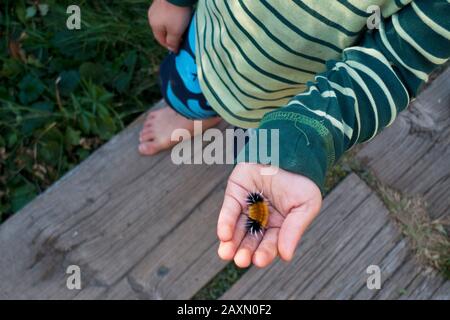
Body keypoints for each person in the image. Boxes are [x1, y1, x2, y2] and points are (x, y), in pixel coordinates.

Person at [139, 0, 450, 268]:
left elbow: (394, 62)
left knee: (261, 134)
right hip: (210, 41)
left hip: (288, 98)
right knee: (185, 93)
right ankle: (200, 112)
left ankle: (236, 118)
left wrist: (302, 137)